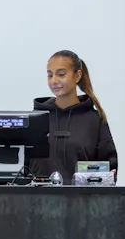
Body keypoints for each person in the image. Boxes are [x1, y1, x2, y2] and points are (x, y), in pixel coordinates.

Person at [29, 50, 118, 180]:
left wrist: (107, 177)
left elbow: (108, 168)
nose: (54, 80)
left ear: (77, 76)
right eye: (50, 75)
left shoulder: (95, 120)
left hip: (82, 193)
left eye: (61, 74)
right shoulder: (36, 118)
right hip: (38, 193)